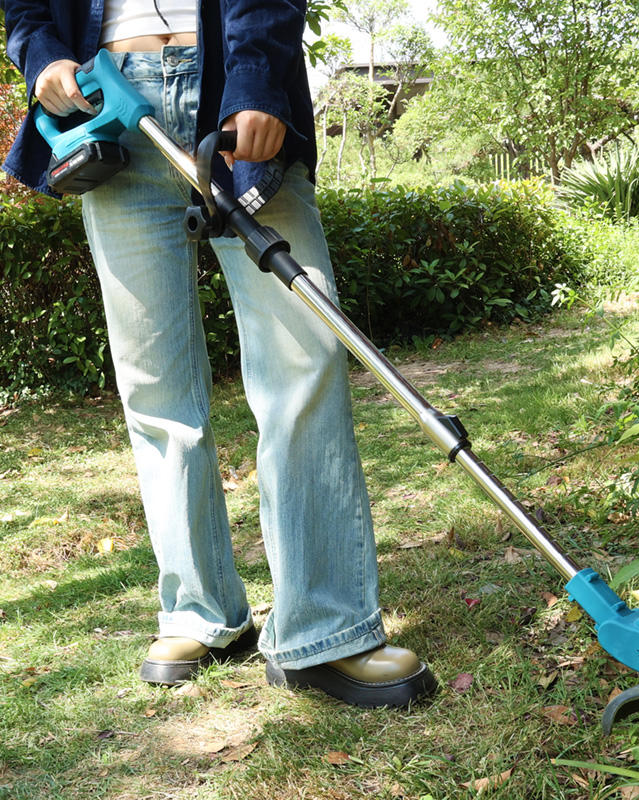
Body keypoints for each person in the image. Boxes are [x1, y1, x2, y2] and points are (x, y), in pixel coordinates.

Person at [2, 0, 436, 708]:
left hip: (234, 99)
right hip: (107, 105)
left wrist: (259, 80)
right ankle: (200, 613)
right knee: (155, 387)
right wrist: (43, 58)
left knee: (304, 361)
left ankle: (325, 630)